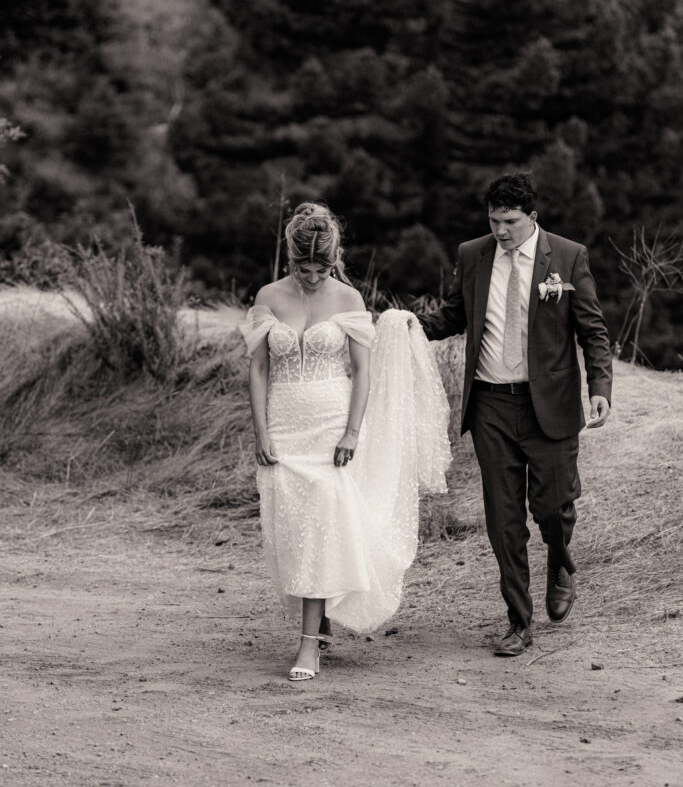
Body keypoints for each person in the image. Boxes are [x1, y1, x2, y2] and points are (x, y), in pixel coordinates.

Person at [241, 203, 450, 681]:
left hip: (331, 424)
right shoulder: (268, 296)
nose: (312, 277)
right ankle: (322, 618)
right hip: (285, 423)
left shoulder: (349, 298)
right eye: (302, 267)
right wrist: (261, 430)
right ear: (289, 259)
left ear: (334, 259)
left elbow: (362, 371)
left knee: (320, 525)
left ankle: (308, 644)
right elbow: (257, 368)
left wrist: (353, 431)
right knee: (294, 532)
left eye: (321, 267)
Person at [418, 173, 612, 657]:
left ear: (532, 218)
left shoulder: (567, 257)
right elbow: (453, 317)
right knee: (503, 519)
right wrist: (404, 325)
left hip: (550, 403)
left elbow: (593, 330)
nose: (500, 231)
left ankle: (560, 561)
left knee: (552, 507)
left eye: (509, 221)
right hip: (490, 404)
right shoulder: (472, 254)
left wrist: (600, 387)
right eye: (493, 220)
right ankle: (518, 622)